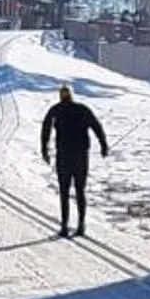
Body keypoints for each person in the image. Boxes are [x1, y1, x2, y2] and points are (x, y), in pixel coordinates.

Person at [38, 83, 109, 237]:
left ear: (60, 96)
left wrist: (44, 149)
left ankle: (64, 226)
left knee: (64, 191)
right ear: (71, 95)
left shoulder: (55, 109)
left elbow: (46, 129)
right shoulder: (82, 109)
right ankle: (81, 225)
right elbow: (97, 126)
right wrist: (103, 145)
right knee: (80, 190)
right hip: (81, 155)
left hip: (64, 156)